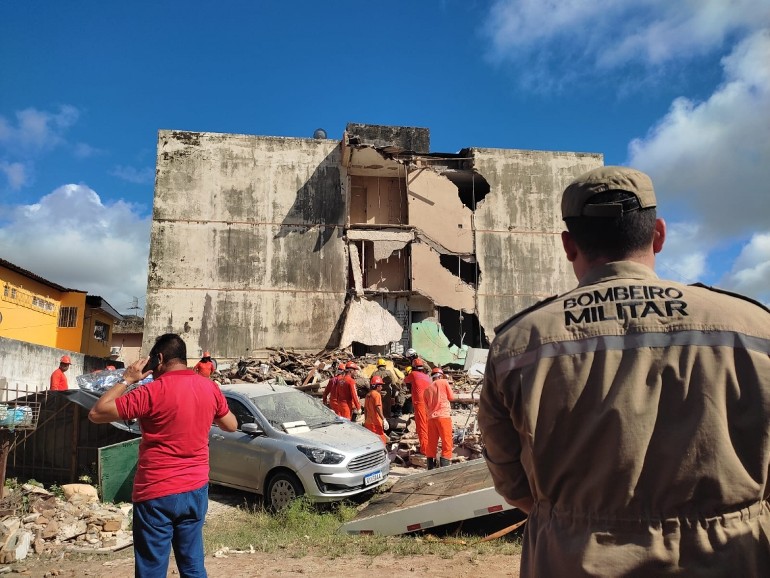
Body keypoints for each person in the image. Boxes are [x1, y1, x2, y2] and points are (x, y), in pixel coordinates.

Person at [479, 166, 770, 577]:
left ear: (568, 244)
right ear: (659, 235)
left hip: (572, 560)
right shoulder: (754, 328)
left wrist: (583, 521)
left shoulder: (517, 345)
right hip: (730, 559)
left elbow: (512, 484)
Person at [88, 333, 237, 577]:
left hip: (156, 493)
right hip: (195, 490)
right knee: (192, 565)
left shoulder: (149, 392)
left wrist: (126, 380)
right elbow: (231, 424)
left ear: (159, 358)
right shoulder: (210, 387)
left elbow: (96, 412)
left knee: (152, 569)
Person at [423, 367, 454, 469]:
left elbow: (426, 407)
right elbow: (451, 397)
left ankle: (430, 468)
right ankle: (444, 469)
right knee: (447, 443)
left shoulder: (427, 389)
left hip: (431, 419)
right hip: (443, 416)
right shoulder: (444, 382)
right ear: (440, 376)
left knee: (431, 444)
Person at [403, 358, 431, 454]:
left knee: (421, 426)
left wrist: (408, 372)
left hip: (419, 403)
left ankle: (425, 449)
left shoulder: (413, 374)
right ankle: (428, 446)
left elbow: (405, 380)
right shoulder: (427, 377)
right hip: (428, 403)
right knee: (427, 425)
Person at [364, 375, 389, 444]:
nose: (382, 387)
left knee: (371, 441)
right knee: (381, 440)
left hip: (368, 422)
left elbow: (365, 409)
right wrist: (384, 419)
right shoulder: (377, 395)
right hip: (376, 422)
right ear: (377, 386)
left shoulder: (368, 394)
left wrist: (365, 420)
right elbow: (377, 408)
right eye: (381, 385)